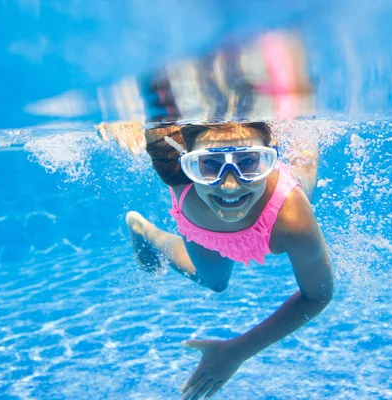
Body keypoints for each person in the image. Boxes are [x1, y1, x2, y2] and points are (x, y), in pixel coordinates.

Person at [123, 121, 333, 399]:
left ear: (271, 156)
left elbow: (318, 295)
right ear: (186, 161)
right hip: (203, 225)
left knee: (302, 173)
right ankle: (145, 230)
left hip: (275, 214)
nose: (231, 186)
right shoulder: (177, 174)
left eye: (249, 161)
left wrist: (236, 351)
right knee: (215, 283)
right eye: (209, 164)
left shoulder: (293, 221)